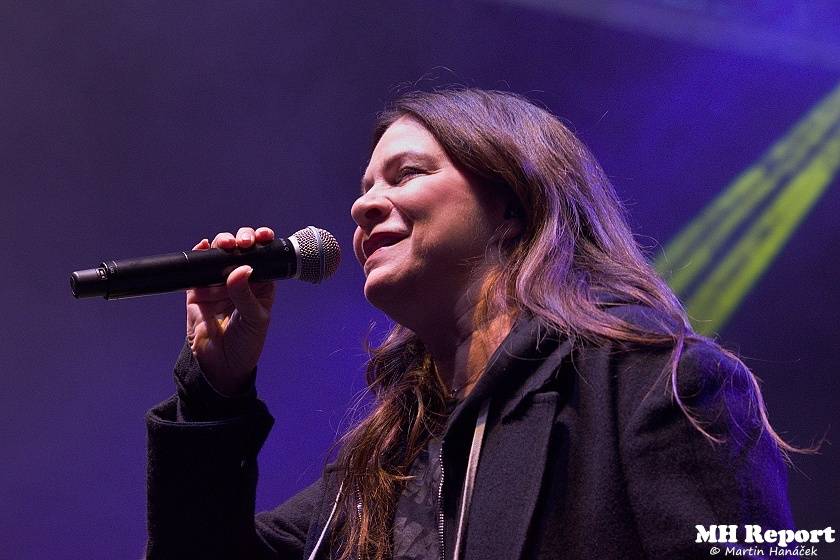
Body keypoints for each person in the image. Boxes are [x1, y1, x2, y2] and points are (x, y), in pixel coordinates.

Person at [145, 89, 796, 560]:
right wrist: (214, 390)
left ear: (512, 204)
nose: (363, 203)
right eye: (366, 185)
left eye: (406, 174)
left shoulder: (662, 385)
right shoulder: (381, 465)